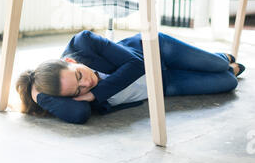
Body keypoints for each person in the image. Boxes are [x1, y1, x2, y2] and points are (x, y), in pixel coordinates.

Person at [16, 30, 245, 125]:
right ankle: (224, 67)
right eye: (78, 91)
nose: (86, 84)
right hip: (162, 84)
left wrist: (95, 94)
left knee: (218, 65)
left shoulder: (83, 43)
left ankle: (220, 59)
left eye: (79, 76)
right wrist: (37, 93)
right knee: (228, 82)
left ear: (70, 61)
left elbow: (137, 64)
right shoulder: (66, 94)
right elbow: (78, 114)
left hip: (158, 52)